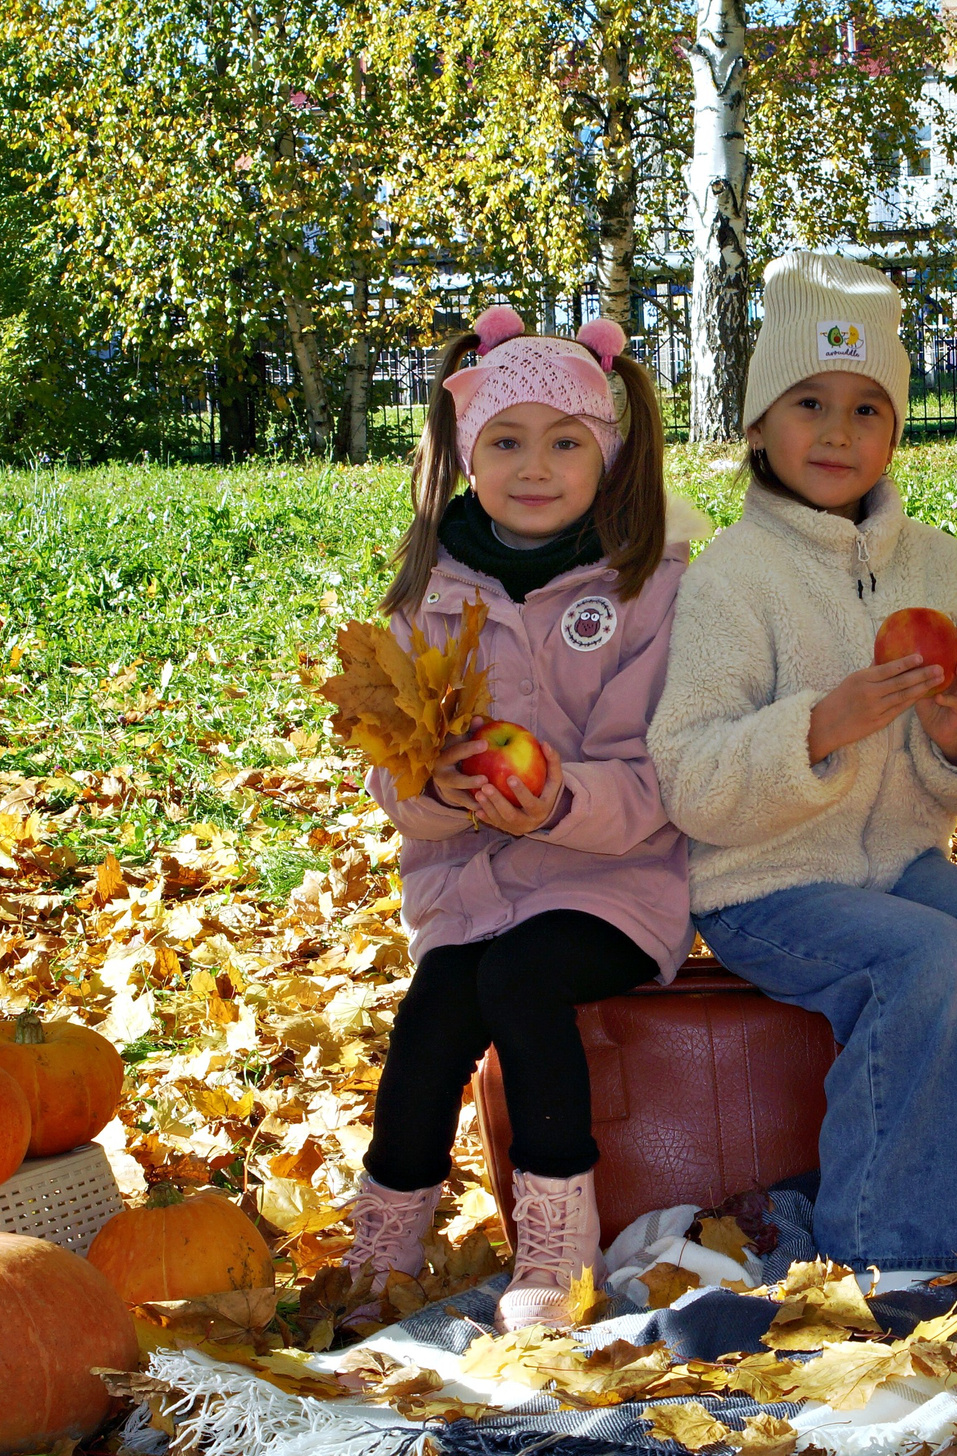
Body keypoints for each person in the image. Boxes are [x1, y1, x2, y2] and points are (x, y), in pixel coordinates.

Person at [646, 253, 957, 1298]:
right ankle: (894, 1248)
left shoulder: (941, 570)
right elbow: (688, 771)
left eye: (867, 408)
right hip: (764, 883)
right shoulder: (733, 580)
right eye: (808, 403)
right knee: (924, 957)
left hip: (898, 861)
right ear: (758, 423)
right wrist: (818, 729)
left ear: (897, 429)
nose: (838, 432)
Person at [342, 306, 694, 1332]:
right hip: (474, 887)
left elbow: (658, 775)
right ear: (466, 454)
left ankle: (556, 1242)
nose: (534, 467)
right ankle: (385, 1237)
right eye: (505, 441)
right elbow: (390, 769)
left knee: (521, 979)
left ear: (608, 455)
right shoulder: (429, 596)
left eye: (564, 442)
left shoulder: (646, 590)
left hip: (612, 885)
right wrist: (436, 794)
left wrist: (558, 800)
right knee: (435, 1012)